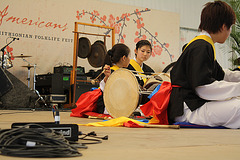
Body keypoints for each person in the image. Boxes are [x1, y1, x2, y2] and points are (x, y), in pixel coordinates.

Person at [167, 1, 240, 129]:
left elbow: (222, 74)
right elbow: (203, 88)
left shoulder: (203, 44)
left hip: (192, 103)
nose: (229, 33)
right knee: (237, 107)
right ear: (223, 26)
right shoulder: (201, 46)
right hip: (187, 108)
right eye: (230, 28)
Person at [96, 43, 131, 114]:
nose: (130, 60)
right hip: (107, 105)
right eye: (129, 57)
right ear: (124, 58)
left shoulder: (120, 71)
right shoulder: (110, 71)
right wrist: (107, 77)